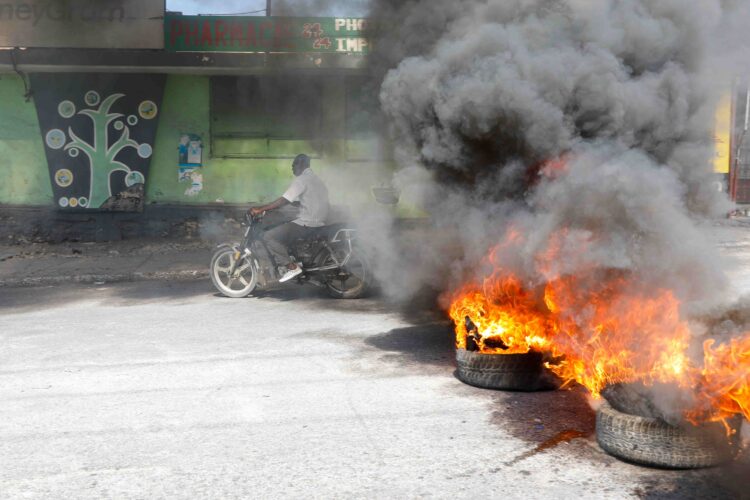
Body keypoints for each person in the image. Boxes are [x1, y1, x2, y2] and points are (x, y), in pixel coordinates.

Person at [249, 154, 329, 283]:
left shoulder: (302, 180)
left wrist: (261, 209)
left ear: (301, 164)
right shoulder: (317, 180)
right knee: (286, 227)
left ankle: (291, 267)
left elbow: (285, 199)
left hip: (307, 223)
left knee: (269, 236)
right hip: (319, 221)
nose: (292, 168)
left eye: (293, 165)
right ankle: (295, 262)